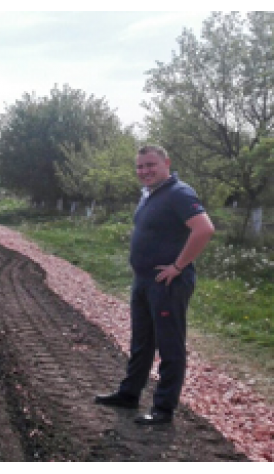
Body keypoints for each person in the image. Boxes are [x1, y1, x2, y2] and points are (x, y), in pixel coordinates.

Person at [94, 145, 215, 425]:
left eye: (151, 165)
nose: (145, 171)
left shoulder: (179, 193)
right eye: (140, 167)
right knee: (142, 342)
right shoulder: (150, 194)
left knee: (169, 346)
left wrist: (178, 266)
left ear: (166, 163)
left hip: (167, 283)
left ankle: (163, 409)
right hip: (144, 281)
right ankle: (129, 394)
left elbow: (204, 229)